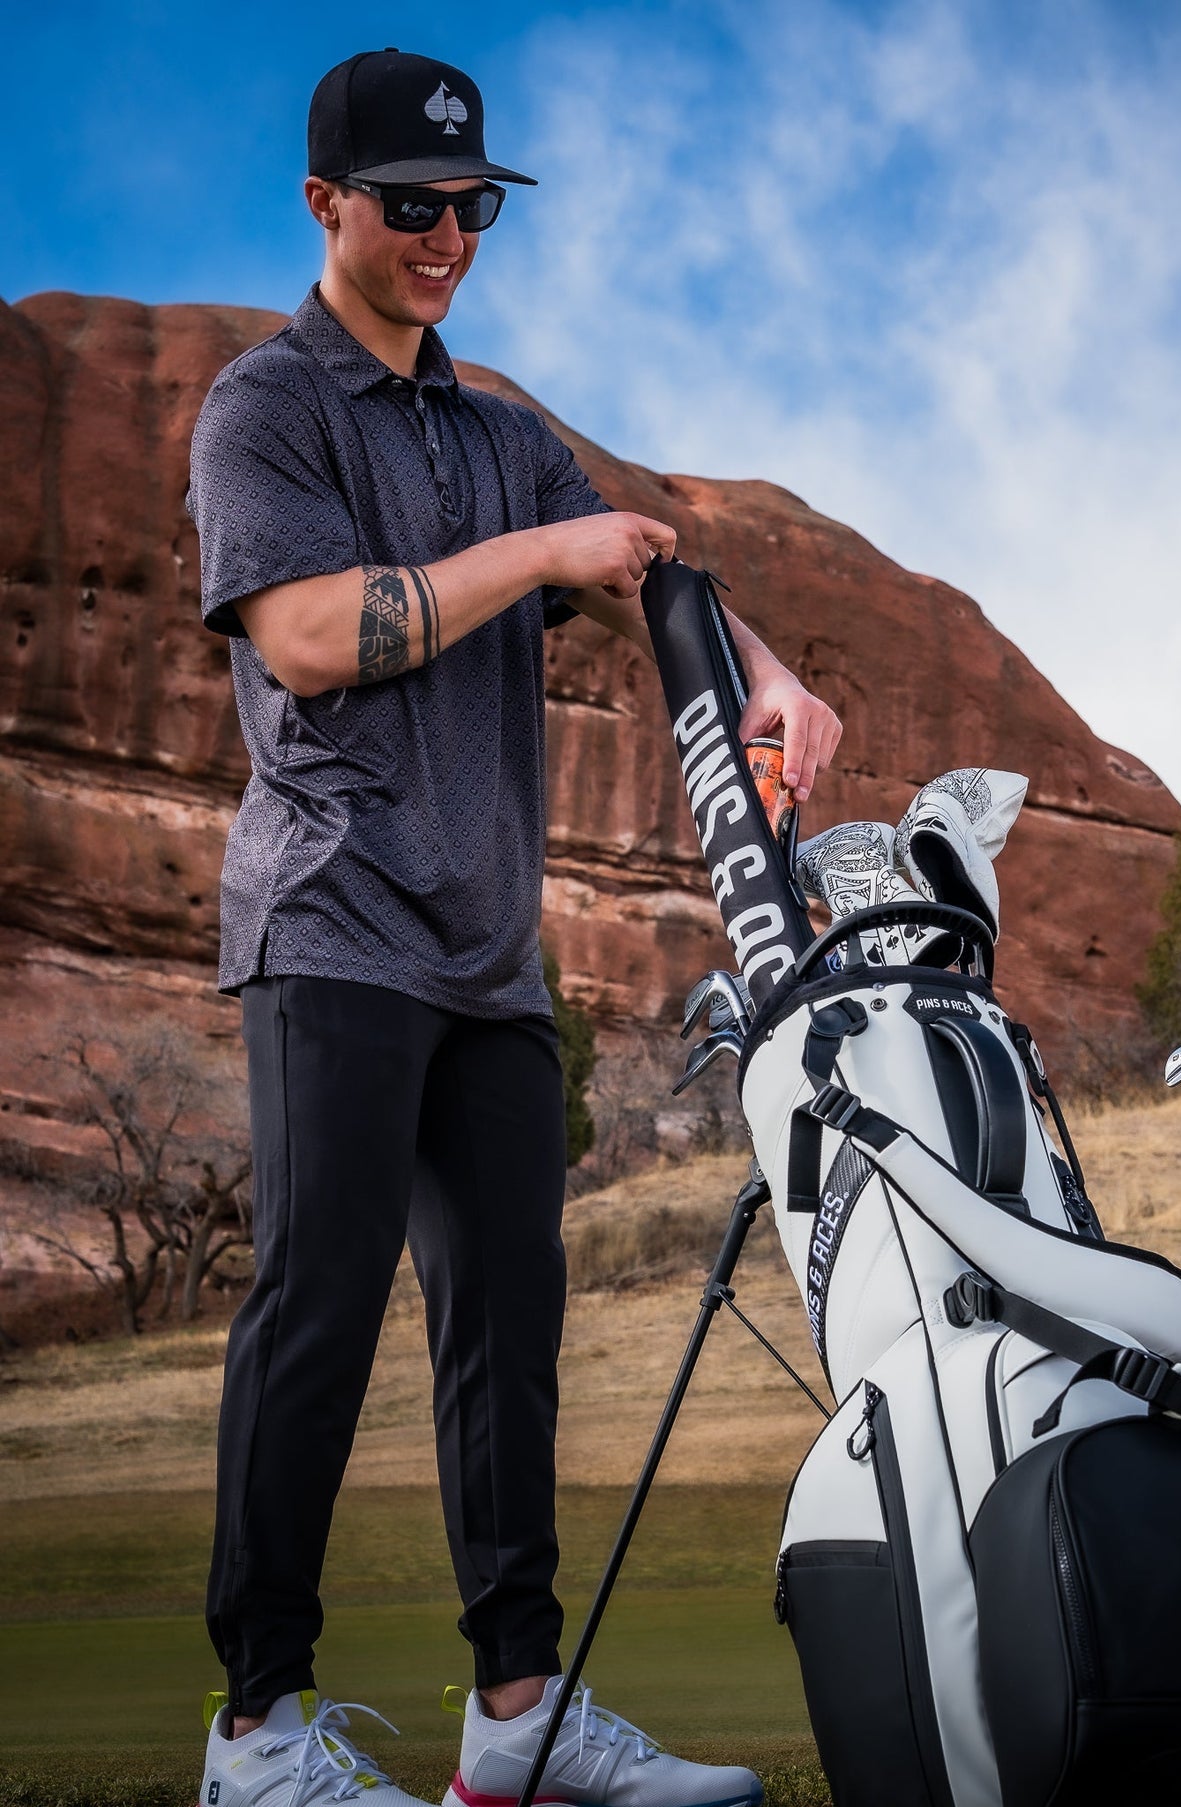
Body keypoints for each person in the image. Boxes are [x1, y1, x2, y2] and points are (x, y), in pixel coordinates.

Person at [187, 46, 841, 1807]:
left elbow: (638, 559)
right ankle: (253, 1735)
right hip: (331, 922)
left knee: (506, 1332)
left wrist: (767, 671)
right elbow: (313, 636)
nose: (449, 238)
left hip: (485, 951)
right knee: (314, 1314)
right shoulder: (266, 411)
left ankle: (517, 1723)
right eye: (413, 207)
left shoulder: (502, 434)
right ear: (326, 204)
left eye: (474, 206)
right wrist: (537, 563)